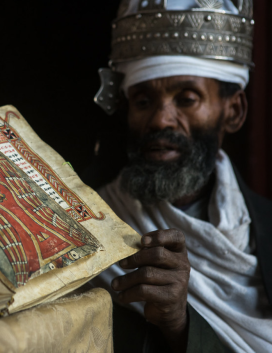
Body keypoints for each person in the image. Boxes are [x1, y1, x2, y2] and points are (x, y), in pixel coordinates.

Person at [88, 1, 272, 352]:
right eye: (143, 102)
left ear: (233, 111)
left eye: (186, 99)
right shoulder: (88, 220)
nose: (160, 120)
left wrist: (179, 324)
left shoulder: (265, 227)